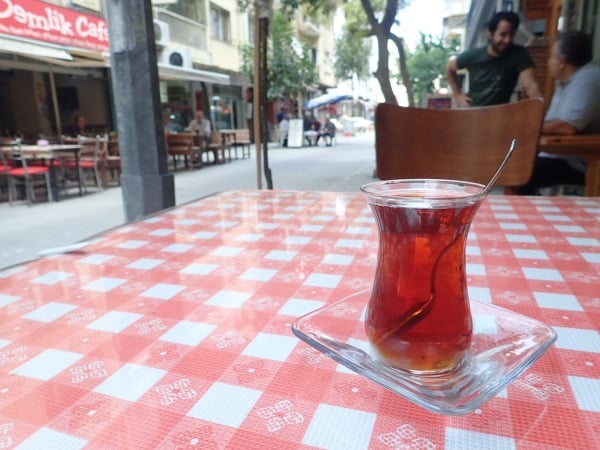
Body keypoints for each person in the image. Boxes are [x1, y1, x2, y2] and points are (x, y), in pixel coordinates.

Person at [518, 31, 600, 195]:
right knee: (518, 165)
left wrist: (527, 127)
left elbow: (566, 126)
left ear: (562, 62)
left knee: (521, 171)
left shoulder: (588, 80)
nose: (549, 62)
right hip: (561, 156)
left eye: (551, 57)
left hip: (580, 162)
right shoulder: (566, 83)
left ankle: (525, 216)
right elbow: (551, 122)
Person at [445, 11, 542, 107]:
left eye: (511, 35)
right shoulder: (473, 56)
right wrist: (457, 94)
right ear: (491, 34)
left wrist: (541, 112)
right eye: (503, 35)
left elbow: (530, 85)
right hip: (473, 114)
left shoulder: (519, 54)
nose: (507, 40)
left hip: (499, 115)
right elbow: (449, 68)